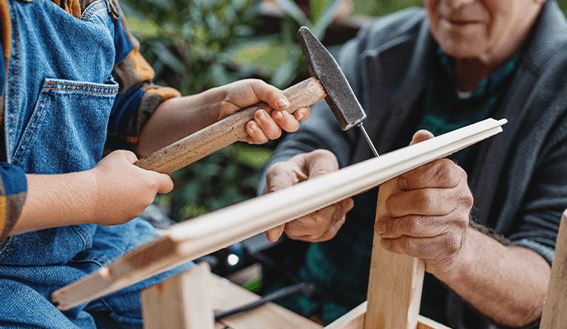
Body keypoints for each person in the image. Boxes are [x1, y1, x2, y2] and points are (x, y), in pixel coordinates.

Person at [0, 0, 309, 327]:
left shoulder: (93, 6)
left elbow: (130, 111)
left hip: (79, 238)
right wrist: (92, 195)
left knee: (188, 303)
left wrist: (217, 108)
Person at [261, 0, 567, 328]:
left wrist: (459, 251)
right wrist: (296, 178)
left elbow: (548, 288)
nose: (455, 3)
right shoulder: (381, 43)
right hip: (298, 303)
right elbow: (306, 146)